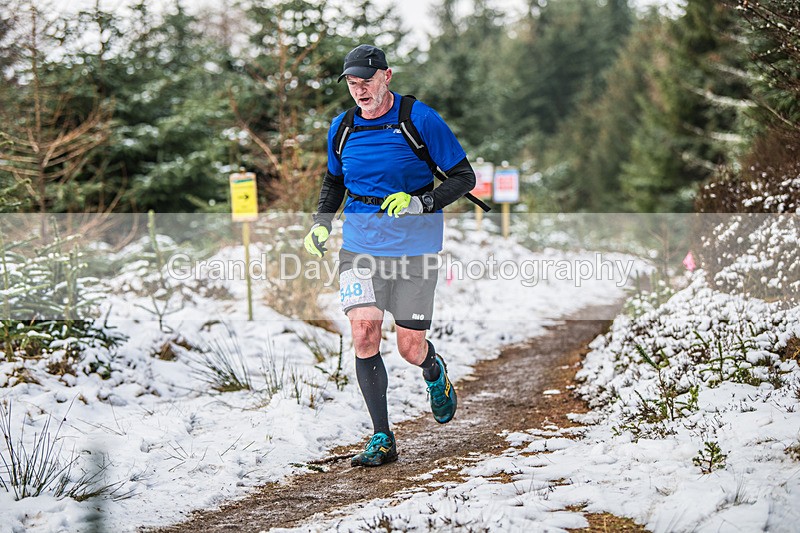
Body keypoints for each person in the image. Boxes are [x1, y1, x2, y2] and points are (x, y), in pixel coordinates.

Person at [303, 44, 476, 467]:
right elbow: (333, 181)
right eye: (352, 83)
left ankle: (433, 369)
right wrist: (321, 222)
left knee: (408, 347)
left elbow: (464, 177)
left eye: (366, 81)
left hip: (416, 248)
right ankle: (382, 436)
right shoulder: (342, 127)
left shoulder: (419, 119)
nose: (359, 91)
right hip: (360, 246)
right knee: (363, 334)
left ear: (387, 77)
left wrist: (422, 203)